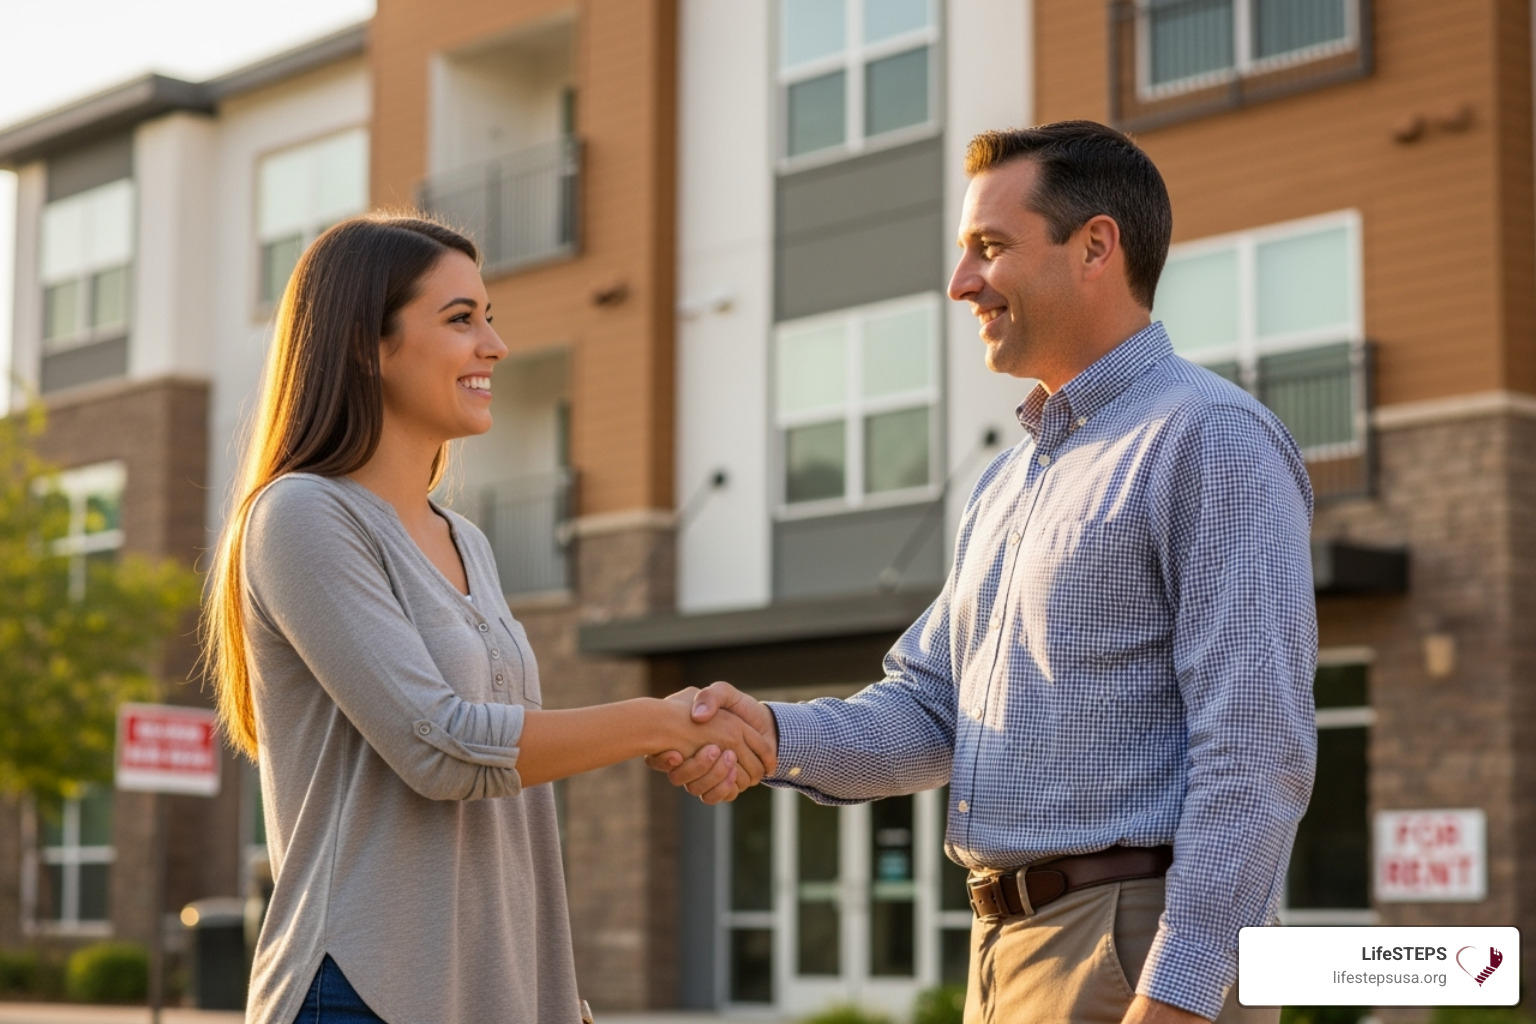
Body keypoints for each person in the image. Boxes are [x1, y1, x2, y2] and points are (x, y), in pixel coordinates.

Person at [652, 121, 1318, 1024]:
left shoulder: (1210, 439)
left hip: (1132, 955)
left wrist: (1181, 996)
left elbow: (1256, 748)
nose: (962, 282)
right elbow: (931, 709)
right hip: (1007, 957)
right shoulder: (1010, 482)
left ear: (1094, 247)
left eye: (990, 248)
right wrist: (767, 734)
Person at [202, 214, 772, 1024]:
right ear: (368, 343)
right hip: (364, 992)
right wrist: (661, 723)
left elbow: (508, 767)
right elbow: (445, 747)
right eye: (461, 319)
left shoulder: (464, 538)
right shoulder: (301, 517)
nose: (495, 346)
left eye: (490, 316)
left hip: (502, 994)